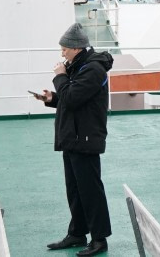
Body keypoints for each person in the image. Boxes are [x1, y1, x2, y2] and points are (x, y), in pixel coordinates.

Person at [40, 23, 113, 256]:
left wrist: (59, 78)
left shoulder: (93, 69)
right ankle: (77, 233)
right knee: (74, 189)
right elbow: (69, 97)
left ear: (76, 48)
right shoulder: (79, 66)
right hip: (73, 136)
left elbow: (72, 98)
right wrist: (52, 98)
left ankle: (99, 239)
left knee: (90, 190)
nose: (62, 53)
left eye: (64, 49)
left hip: (85, 136)